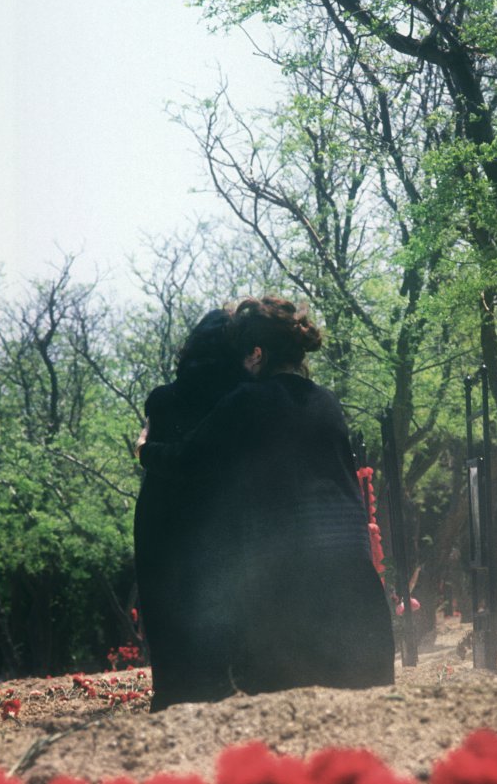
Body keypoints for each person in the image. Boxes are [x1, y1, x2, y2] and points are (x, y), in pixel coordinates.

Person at [138, 296, 395, 700]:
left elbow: (188, 460)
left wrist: (143, 449)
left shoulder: (247, 402)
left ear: (256, 354)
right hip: (360, 599)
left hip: (296, 600)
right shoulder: (327, 402)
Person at [134, 309, 244, 710]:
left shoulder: (163, 398)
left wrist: (144, 451)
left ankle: (171, 691)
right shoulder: (241, 396)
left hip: (160, 515)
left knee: (166, 603)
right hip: (214, 513)